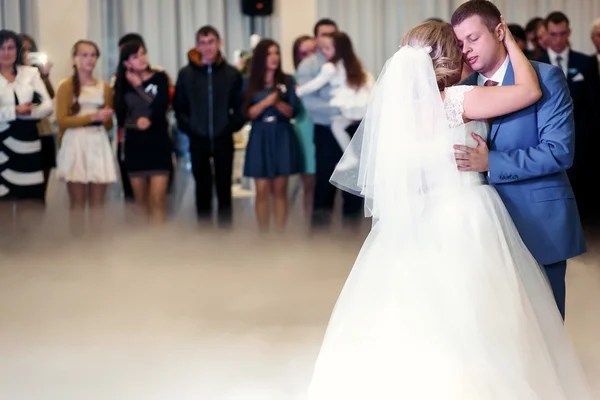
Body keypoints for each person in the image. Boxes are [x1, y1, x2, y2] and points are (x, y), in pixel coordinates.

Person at [306, 18, 592, 399]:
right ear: (448, 55)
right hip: (466, 214)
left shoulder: (400, 112)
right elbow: (527, 89)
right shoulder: (458, 100)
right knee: (482, 316)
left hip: (420, 223)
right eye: (462, 45)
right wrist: (510, 42)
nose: (468, 51)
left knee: (429, 316)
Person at [453, 2, 586, 319]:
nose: (466, 49)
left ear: (499, 31)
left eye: (473, 38)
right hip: (482, 228)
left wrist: (491, 163)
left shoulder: (546, 77)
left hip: (538, 220)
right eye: (459, 43)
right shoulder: (462, 91)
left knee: (546, 321)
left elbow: (559, 151)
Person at [173, 25, 245, 223]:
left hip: (223, 138)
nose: (207, 47)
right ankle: (204, 238)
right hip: (198, 139)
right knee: (202, 189)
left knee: (224, 190)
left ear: (219, 43)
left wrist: (230, 125)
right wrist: (191, 128)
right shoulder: (186, 74)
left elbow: (241, 106)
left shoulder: (231, 74)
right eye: (203, 43)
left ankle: (225, 237)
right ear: (197, 45)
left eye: (211, 42)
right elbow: (179, 108)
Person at [242, 39, 301, 231]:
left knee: (280, 189)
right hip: (259, 135)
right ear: (260, 58)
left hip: (282, 134)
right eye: (269, 54)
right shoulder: (249, 83)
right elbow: (247, 113)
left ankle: (280, 234)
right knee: (262, 190)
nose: (274, 58)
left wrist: (277, 103)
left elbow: (293, 111)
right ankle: (263, 235)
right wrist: (267, 102)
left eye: (276, 53)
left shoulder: (287, 80)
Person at [296, 32, 373, 170]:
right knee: (339, 126)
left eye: (327, 48)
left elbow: (316, 83)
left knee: (337, 126)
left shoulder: (330, 67)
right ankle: (350, 156)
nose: (323, 52)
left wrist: (299, 91)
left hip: (347, 104)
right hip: (360, 104)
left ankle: (350, 157)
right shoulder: (353, 63)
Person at [113, 41, 172, 222]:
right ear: (126, 63)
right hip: (135, 146)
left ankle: (159, 243)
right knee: (140, 202)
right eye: (136, 56)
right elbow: (121, 118)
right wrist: (136, 123)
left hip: (159, 142)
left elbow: (162, 107)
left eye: (143, 53)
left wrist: (140, 88)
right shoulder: (121, 84)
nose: (142, 58)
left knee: (158, 199)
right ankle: (144, 244)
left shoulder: (160, 78)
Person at [55, 40, 116, 211]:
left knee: (98, 204)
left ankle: (97, 237)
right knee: (77, 204)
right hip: (75, 142)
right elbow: (62, 120)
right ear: (75, 59)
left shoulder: (103, 87)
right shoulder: (65, 86)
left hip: (98, 141)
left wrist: (105, 118)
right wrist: (92, 117)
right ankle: (77, 238)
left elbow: (109, 124)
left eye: (93, 55)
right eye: (84, 55)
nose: (89, 59)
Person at [0, 30, 53, 202]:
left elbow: (48, 106)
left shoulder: (30, 73)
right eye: (2, 48)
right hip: (2, 142)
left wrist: (29, 112)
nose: (6, 52)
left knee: (32, 200)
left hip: (28, 139)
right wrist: (14, 111)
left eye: (11, 47)